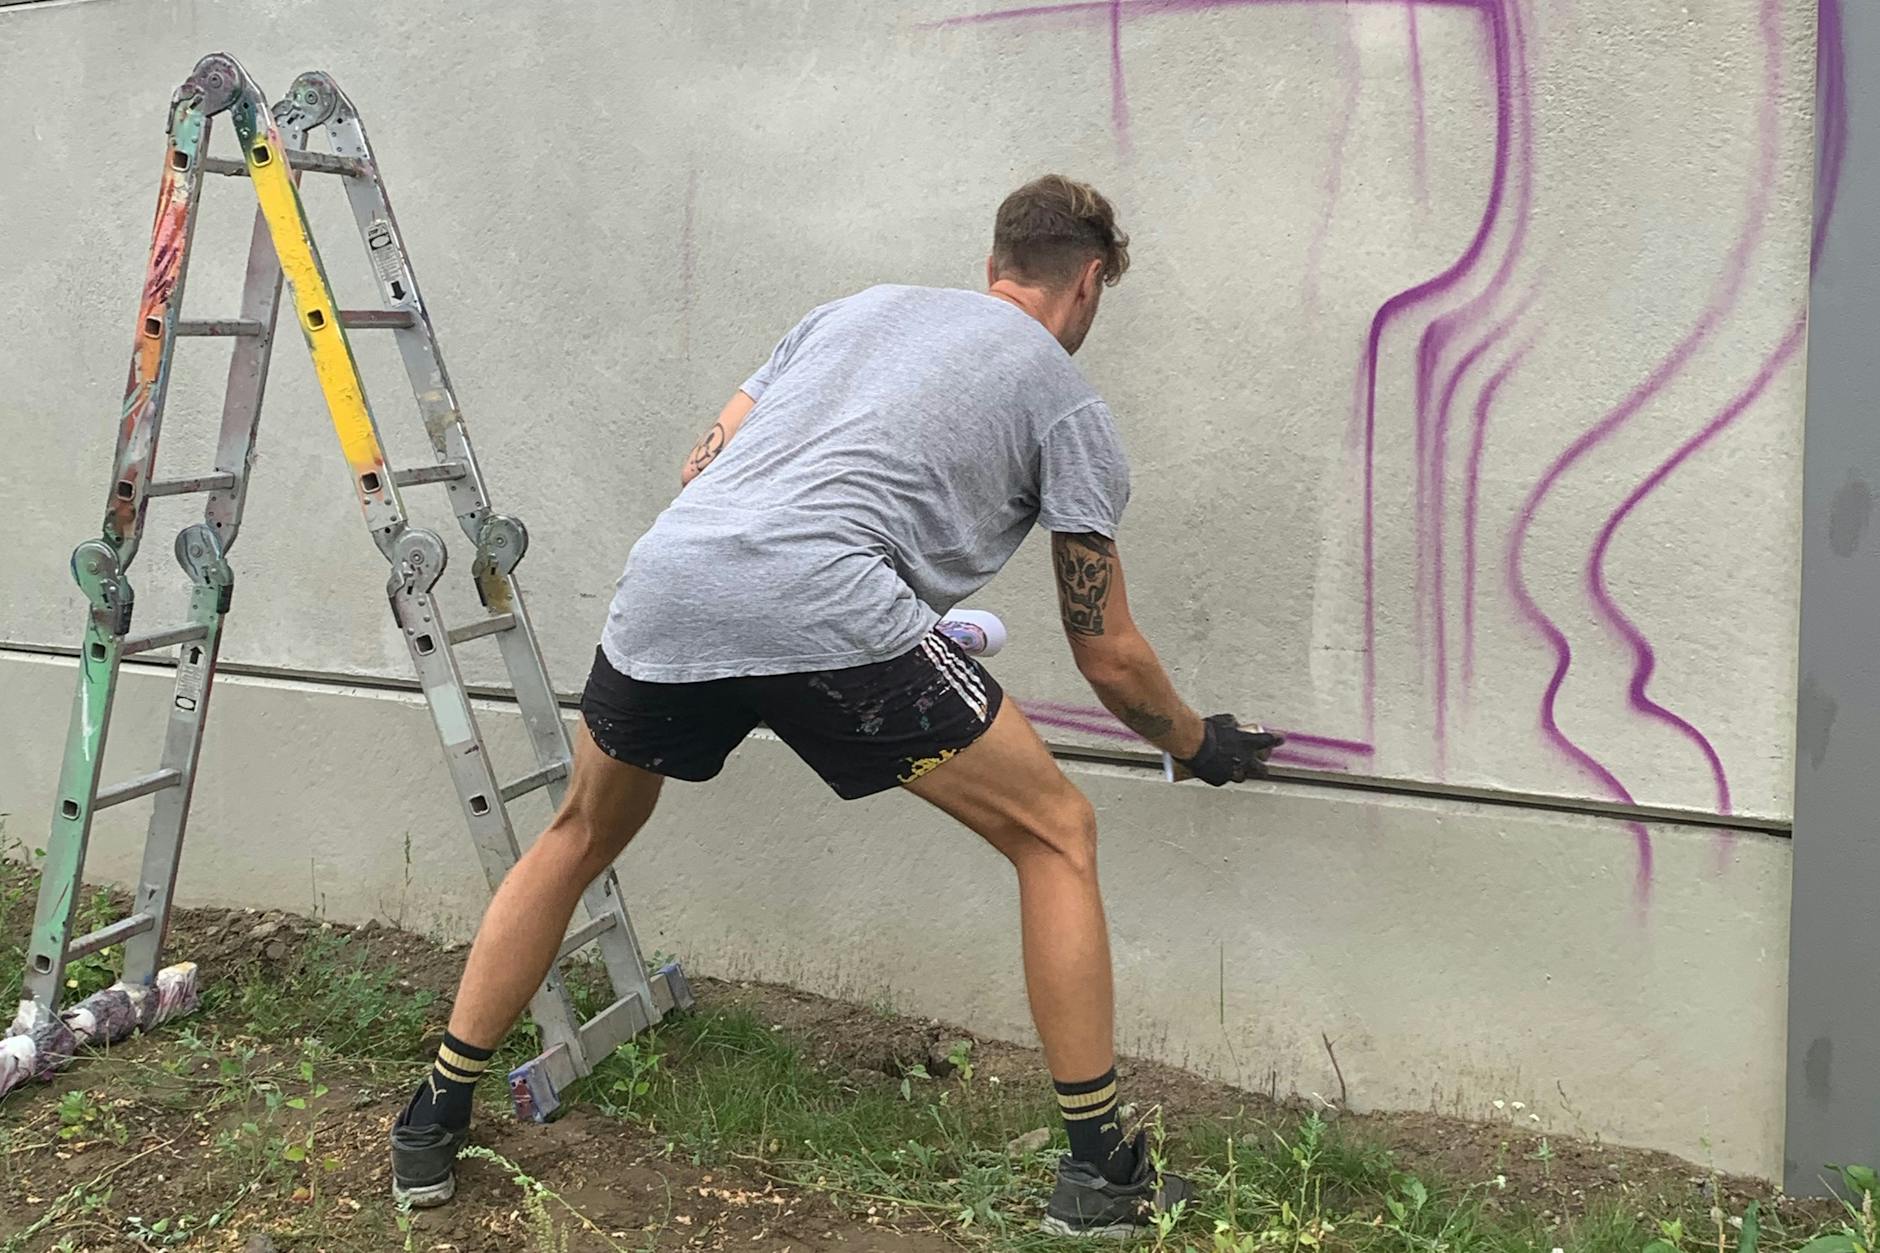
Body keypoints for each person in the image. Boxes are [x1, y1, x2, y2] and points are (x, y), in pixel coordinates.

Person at [389, 174, 1281, 1236]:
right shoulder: (1062, 396)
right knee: (1056, 830)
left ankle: (431, 1116)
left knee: (581, 830)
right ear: (1086, 282)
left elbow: (704, 458)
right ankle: (1098, 1175)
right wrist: (1202, 743)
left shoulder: (848, 313)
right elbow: (1111, 661)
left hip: (676, 576)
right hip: (828, 599)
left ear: (994, 261)